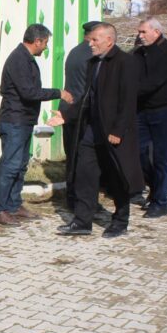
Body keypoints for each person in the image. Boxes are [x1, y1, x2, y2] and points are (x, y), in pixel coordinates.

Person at [55, 23, 143, 237]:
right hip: (91, 130)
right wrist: (67, 115)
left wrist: (118, 131)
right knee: (85, 173)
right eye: (90, 39)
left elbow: (128, 101)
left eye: (95, 40)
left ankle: (120, 221)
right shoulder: (93, 63)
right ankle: (82, 221)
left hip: (114, 132)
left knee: (117, 176)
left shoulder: (126, 62)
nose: (90, 44)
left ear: (109, 41)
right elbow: (87, 98)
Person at [0, 23, 72, 225]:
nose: (46, 47)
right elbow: (29, 92)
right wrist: (58, 93)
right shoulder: (19, 59)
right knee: (10, 166)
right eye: (45, 43)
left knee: (20, 165)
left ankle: (13, 205)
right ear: (37, 41)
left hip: (23, 120)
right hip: (14, 120)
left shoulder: (26, 58)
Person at [134, 18, 167, 218]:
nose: (140, 36)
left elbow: (154, 81)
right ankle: (155, 188)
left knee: (161, 157)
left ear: (156, 32)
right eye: (139, 32)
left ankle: (160, 202)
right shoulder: (139, 52)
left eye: (143, 32)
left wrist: (130, 92)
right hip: (143, 109)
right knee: (138, 151)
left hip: (165, 110)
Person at [61, 21, 100, 208]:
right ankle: (82, 200)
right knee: (84, 159)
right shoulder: (92, 55)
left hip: (68, 109)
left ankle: (71, 197)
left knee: (72, 156)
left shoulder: (75, 52)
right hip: (81, 111)